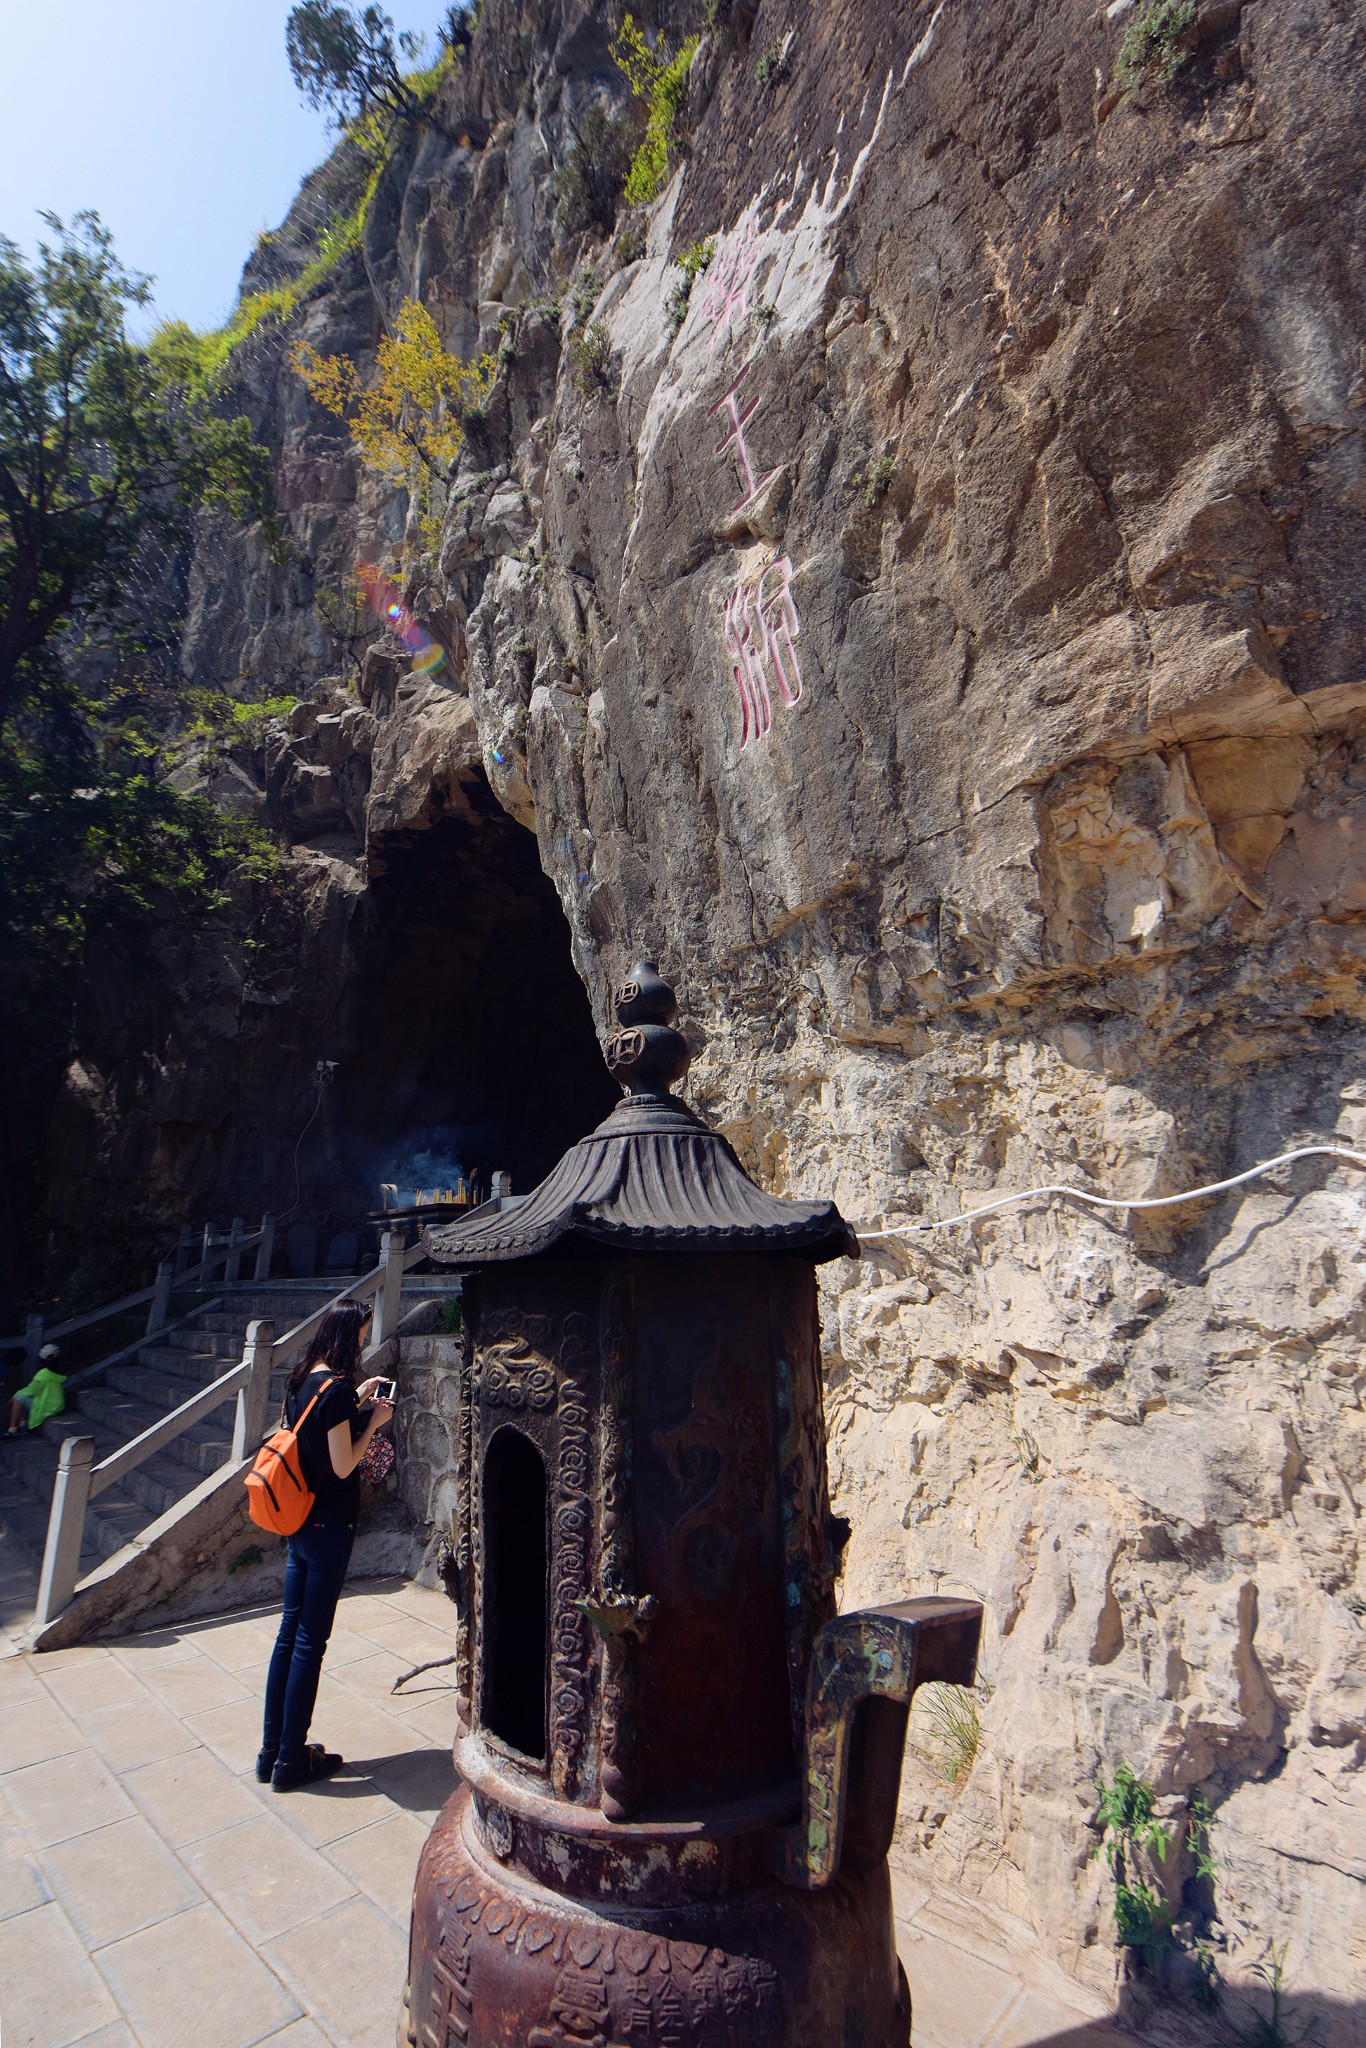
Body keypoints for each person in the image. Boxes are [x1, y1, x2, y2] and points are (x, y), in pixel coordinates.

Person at [258, 1300, 394, 1791]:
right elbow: (343, 1465)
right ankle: (292, 1761)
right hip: (329, 1525)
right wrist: (373, 1425)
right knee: (310, 1644)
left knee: (288, 1635)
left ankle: (272, 1750)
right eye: (361, 1333)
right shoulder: (333, 1391)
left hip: (297, 1521)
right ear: (348, 1336)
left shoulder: (300, 1381)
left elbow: (309, 1434)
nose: (363, 1341)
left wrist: (354, 1402)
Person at [5, 1344, 65, 1436]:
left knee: (18, 1398)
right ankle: (22, 1425)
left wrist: (15, 1395)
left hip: (46, 1407)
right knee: (23, 1397)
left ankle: (12, 1430)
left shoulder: (43, 1374)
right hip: (55, 1405)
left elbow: (31, 1391)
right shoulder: (57, 1372)